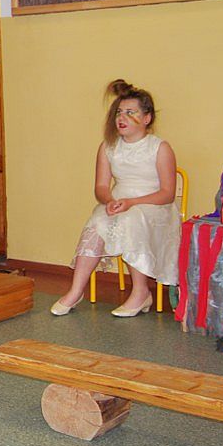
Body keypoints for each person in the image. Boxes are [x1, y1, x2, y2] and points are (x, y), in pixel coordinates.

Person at [51, 80, 181, 318]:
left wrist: (131, 203)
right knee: (96, 221)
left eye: (130, 112)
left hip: (154, 207)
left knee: (132, 220)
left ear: (147, 118)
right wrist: (109, 200)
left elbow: (167, 194)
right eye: (119, 112)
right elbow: (101, 187)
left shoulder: (160, 148)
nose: (122, 118)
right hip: (120, 203)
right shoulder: (108, 147)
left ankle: (141, 292)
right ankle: (76, 290)